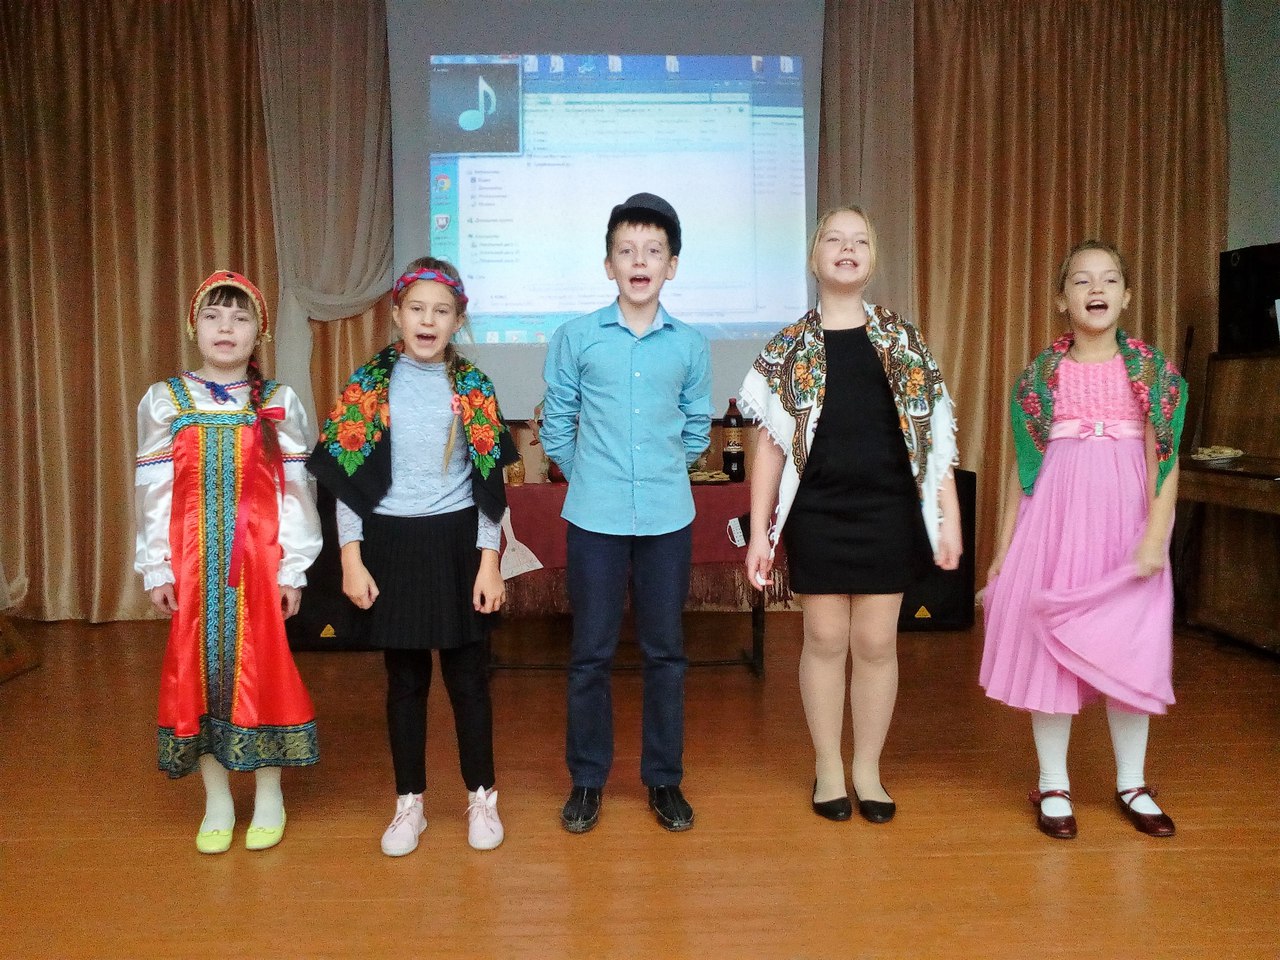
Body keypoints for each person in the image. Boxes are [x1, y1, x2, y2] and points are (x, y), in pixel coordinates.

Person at [740, 207, 962, 824]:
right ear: (814, 257)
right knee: (824, 637)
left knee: (876, 641)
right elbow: (771, 448)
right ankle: (828, 767)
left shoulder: (902, 340)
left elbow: (933, 435)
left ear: (872, 259)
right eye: (833, 239)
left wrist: (947, 516)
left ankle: (867, 768)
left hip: (887, 511)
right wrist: (759, 533)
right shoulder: (790, 347)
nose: (847, 248)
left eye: (859, 240)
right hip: (817, 512)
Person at [307, 257, 517, 856]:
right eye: (417, 309)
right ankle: (410, 804)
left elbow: (489, 484)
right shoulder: (368, 384)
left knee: (468, 679)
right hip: (390, 545)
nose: (428, 321)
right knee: (404, 681)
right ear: (397, 313)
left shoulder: (473, 388)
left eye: (441, 311)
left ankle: (482, 797)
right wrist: (351, 559)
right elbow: (347, 482)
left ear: (458, 320)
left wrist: (489, 560)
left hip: (457, 545)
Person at [980, 240, 1185, 839]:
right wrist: (1002, 553)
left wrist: (1156, 535)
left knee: (1133, 648)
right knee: (1049, 647)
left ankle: (1132, 782)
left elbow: (1166, 460)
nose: (1097, 289)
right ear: (1061, 299)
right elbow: (1022, 472)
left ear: (1127, 295)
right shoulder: (1038, 379)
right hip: (1056, 523)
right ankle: (1052, 782)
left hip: (1127, 526)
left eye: (1110, 279)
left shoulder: (1154, 374)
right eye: (1081, 280)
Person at [134, 270, 322, 854]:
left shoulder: (278, 401)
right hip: (193, 565)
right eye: (213, 316)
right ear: (194, 326)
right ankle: (216, 798)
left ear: (258, 332)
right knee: (197, 676)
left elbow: (297, 490)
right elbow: (153, 490)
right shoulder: (166, 399)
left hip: (260, 564)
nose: (226, 328)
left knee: (263, 669)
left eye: (240, 318)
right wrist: (157, 564)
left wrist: (293, 567)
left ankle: (269, 793)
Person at [542, 192, 713, 833]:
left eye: (653, 251)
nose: (640, 261)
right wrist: (591, 475)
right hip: (595, 519)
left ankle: (664, 779)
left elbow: (696, 429)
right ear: (608, 264)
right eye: (626, 250)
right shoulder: (576, 337)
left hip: (668, 518)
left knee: (666, 653)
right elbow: (558, 425)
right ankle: (587, 780)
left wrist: (661, 470)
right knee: (590, 653)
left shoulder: (691, 345)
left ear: (672, 265)